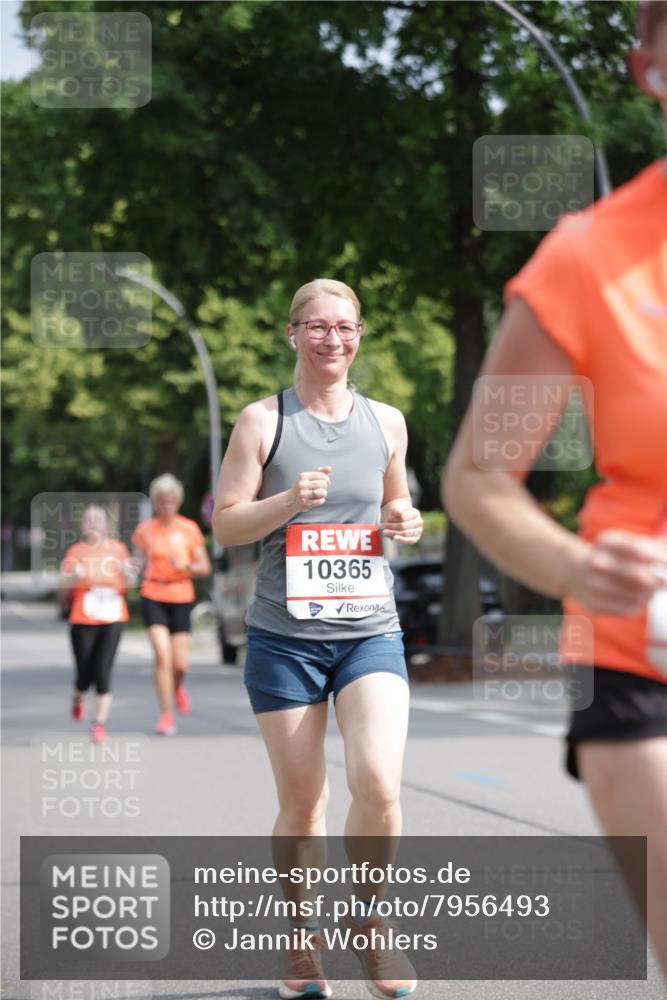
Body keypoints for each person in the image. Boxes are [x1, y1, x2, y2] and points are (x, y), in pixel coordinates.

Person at [442, 0, 667, 979]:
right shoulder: (586, 258)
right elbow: (478, 477)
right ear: (648, 72)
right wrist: (577, 566)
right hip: (642, 652)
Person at [213, 278, 423, 1000]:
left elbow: (395, 498)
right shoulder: (261, 421)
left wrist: (405, 518)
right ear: (293, 334)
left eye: (345, 327)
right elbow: (226, 524)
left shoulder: (387, 421)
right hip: (285, 640)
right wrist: (286, 500)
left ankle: (371, 923)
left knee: (379, 782)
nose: (332, 339)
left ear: (359, 335)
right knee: (304, 804)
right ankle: (302, 943)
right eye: (318, 327)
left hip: (369, 632)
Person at [132, 474, 211, 735]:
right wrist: (132, 566)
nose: (166, 505)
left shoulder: (189, 529)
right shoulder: (145, 531)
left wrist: (186, 566)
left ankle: (176, 687)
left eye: (171, 501)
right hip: (153, 593)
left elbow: (204, 567)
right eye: (162, 501)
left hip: (181, 596)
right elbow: (137, 561)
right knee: (162, 656)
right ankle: (166, 715)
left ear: (178, 502)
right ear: (155, 502)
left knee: (180, 665)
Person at [60, 505, 134, 743]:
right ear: (83, 525)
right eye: (89, 519)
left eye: (98, 519)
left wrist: (129, 573)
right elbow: (62, 586)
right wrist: (74, 576)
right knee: (85, 673)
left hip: (113, 617)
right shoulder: (76, 551)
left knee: (103, 670)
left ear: (106, 525)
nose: (93, 523)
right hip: (83, 618)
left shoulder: (118, 549)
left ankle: (98, 724)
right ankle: (77, 696)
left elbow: (130, 584)